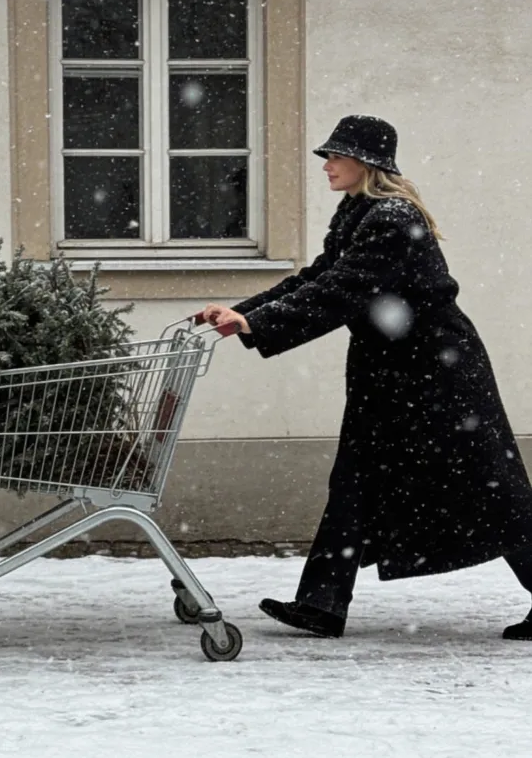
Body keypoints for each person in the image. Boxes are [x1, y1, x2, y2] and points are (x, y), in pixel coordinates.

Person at [200, 114, 532, 641]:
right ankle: (322, 604)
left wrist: (256, 324)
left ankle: (324, 601)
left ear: (366, 163)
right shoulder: (359, 211)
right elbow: (318, 278)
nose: (327, 165)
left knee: (491, 489)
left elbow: (342, 291)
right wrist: (243, 313)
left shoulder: (392, 218)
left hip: (438, 377)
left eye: (336, 156)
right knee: (356, 481)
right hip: (395, 376)